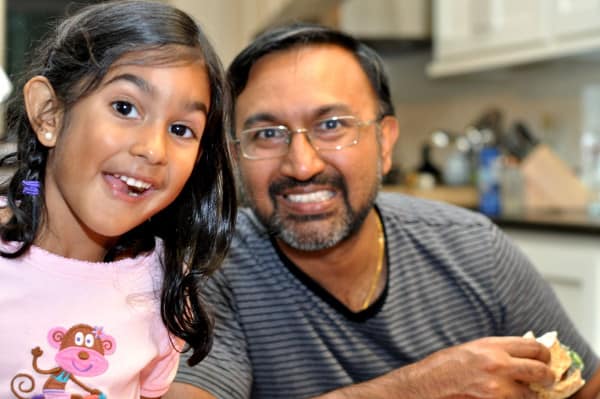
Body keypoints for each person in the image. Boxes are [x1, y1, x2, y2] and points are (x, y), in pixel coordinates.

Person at [167, 23, 600, 399]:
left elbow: (584, 384)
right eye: (267, 133)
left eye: (332, 126)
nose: (301, 165)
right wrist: (419, 389)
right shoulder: (211, 268)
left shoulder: (474, 250)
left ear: (386, 142)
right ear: (236, 154)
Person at [0, 1, 236, 398]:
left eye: (181, 129)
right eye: (125, 107)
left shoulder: (162, 287)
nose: (153, 149)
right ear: (49, 114)